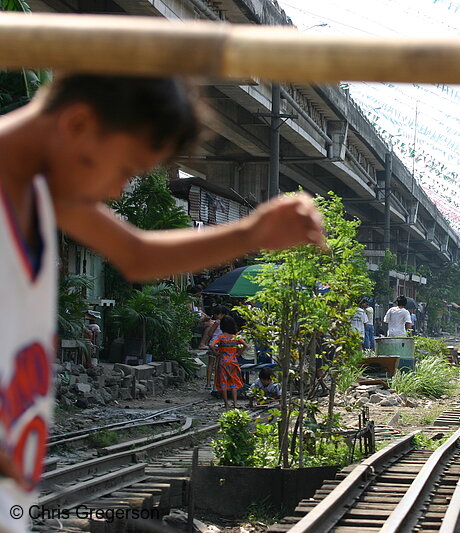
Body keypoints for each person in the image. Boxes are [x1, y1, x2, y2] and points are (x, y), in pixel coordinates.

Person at [0, 73, 325, 527]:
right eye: (125, 169)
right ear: (78, 124)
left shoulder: (39, 183)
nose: (116, 192)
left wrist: (251, 232)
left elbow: (135, 254)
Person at [210, 316, 246, 409]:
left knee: (223, 382)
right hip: (233, 361)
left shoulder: (221, 337)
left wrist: (216, 353)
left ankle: (226, 403)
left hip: (223, 361)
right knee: (234, 382)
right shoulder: (236, 337)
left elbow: (212, 345)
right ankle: (235, 403)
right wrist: (238, 353)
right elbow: (245, 345)